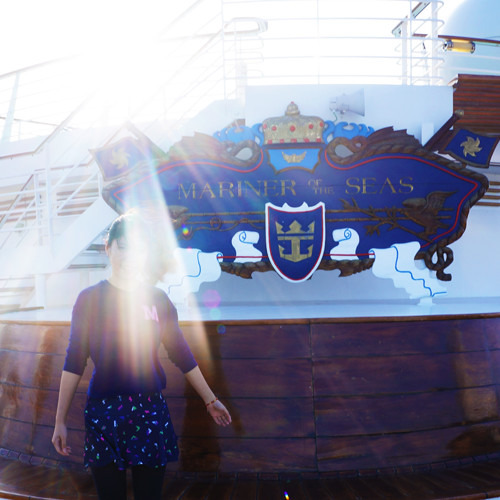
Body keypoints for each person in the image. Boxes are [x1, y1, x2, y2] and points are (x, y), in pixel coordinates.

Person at [52, 211, 231, 500]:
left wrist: (211, 400)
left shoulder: (158, 300)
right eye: (122, 246)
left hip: (149, 413)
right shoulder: (89, 300)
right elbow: (74, 360)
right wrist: (59, 420)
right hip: (103, 414)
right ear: (108, 248)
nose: (129, 256)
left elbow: (181, 353)